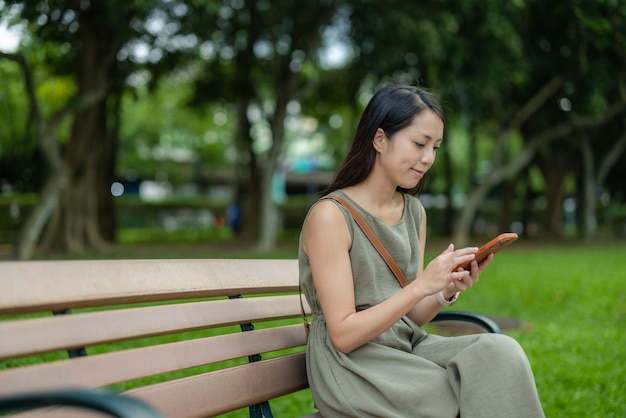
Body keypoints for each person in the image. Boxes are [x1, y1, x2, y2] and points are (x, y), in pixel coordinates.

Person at [298, 83, 544, 417]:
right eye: (418, 143)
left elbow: (410, 316)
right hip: (353, 365)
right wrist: (422, 286)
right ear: (380, 139)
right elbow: (342, 334)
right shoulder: (330, 216)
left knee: (499, 352)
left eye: (436, 147)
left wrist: (444, 290)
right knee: (461, 391)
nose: (427, 158)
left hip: (404, 347)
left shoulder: (414, 213)